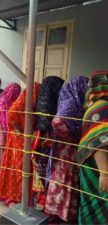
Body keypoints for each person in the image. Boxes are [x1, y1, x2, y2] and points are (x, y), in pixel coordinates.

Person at [45, 76, 89, 222]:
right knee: (64, 181)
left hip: (67, 153)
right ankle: (60, 214)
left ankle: (61, 214)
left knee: (65, 181)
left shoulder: (75, 103)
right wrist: (72, 135)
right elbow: (57, 122)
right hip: (66, 153)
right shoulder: (71, 104)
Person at [0, 83, 39, 205]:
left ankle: (19, 196)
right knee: (18, 167)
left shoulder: (31, 105)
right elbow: (11, 115)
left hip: (22, 139)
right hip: (17, 140)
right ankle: (14, 197)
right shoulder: (20, 103)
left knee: (20, 168)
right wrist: (19, 131)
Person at [77, 71, 108, 225]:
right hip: (97, 168)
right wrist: (105, 173)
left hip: (93, 166)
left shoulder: (94, 105)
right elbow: (99, 141)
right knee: (98, 207)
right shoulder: (101, 107)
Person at [32, 76, 64, 210]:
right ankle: (41, 205)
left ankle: (39, 204)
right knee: (45, 174)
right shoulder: (51, 106)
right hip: (45, 142)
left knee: (41, 174)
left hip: (40, 140)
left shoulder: (42, 101)